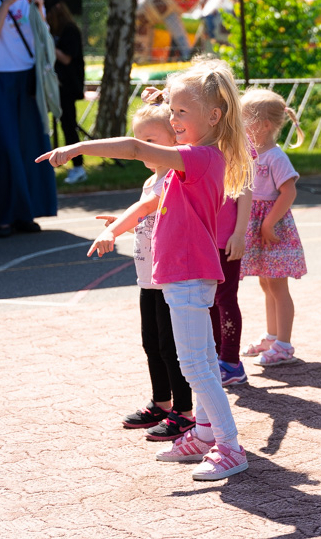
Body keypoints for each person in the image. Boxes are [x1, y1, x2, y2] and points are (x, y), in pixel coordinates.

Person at [37, 58, 254, 481]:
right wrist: (120, 225)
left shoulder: (202, 157)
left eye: (181, 112)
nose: (173, 119)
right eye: (171, 111)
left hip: (191, 273)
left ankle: (229, 446)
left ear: (214, 115)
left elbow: (137, 149)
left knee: (194, 365)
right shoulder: (190, 162)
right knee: (202, 359)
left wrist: (78, 147)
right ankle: (207, 434)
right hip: (182, 273)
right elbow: (154, 202)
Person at [87, 91, 195, 442]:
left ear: (174, 140)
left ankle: (185, 411)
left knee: (171, 347)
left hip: (169, 280)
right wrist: (126, 222)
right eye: (140, 142)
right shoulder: (152, 180)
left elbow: (152, 208)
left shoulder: (175, 177)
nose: (143, 149)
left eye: (150, 141)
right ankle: (161, 402)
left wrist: (115, 228)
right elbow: (152, 219)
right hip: (147, 279)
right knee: (152, 343)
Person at [0, 0, 56, 237]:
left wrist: (39, 6)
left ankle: (27, 213)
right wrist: (8, 0)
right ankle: (5, 217)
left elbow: (43, 41)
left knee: (32, 147)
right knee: (7, 148)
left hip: (29, 79)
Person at [239, 89, 307, 366]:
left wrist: (268, 223)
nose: (240, 126)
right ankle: (272, 336)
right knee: (267, 284)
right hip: (258, 227)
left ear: (265, 125)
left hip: (274, 230)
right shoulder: (250, 151)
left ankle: (284, 345)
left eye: (245, 120)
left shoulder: (276, 157)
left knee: (278, 287)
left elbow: (288, 192)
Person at [212, 186, 252, 385]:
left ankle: (230, 362)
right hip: (203, 239)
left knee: (225, 299)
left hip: (226, 240)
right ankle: (216, 357)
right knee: (208, 299)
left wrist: (239, 234)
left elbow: (245, 191)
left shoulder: (235, 154)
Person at [47, 1, 86, 184]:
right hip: (56, 86)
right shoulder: (57, 31)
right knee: (61, 125)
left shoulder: (69, 30)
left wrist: (47, 45)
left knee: (69, 126)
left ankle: (78, 166)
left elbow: (66, 58)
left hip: (68, 86)